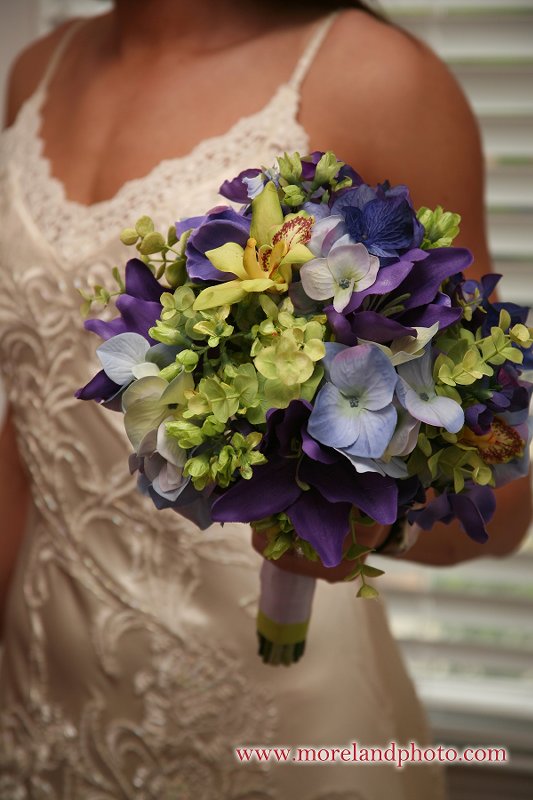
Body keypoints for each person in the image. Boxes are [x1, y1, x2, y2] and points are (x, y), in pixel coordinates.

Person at [0, 1, 530, 797]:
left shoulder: (377, 79)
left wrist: (342, 517)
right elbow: (27, 428)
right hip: (43, 690)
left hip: (281, 727)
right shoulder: (36, 73)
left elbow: (503, 488)